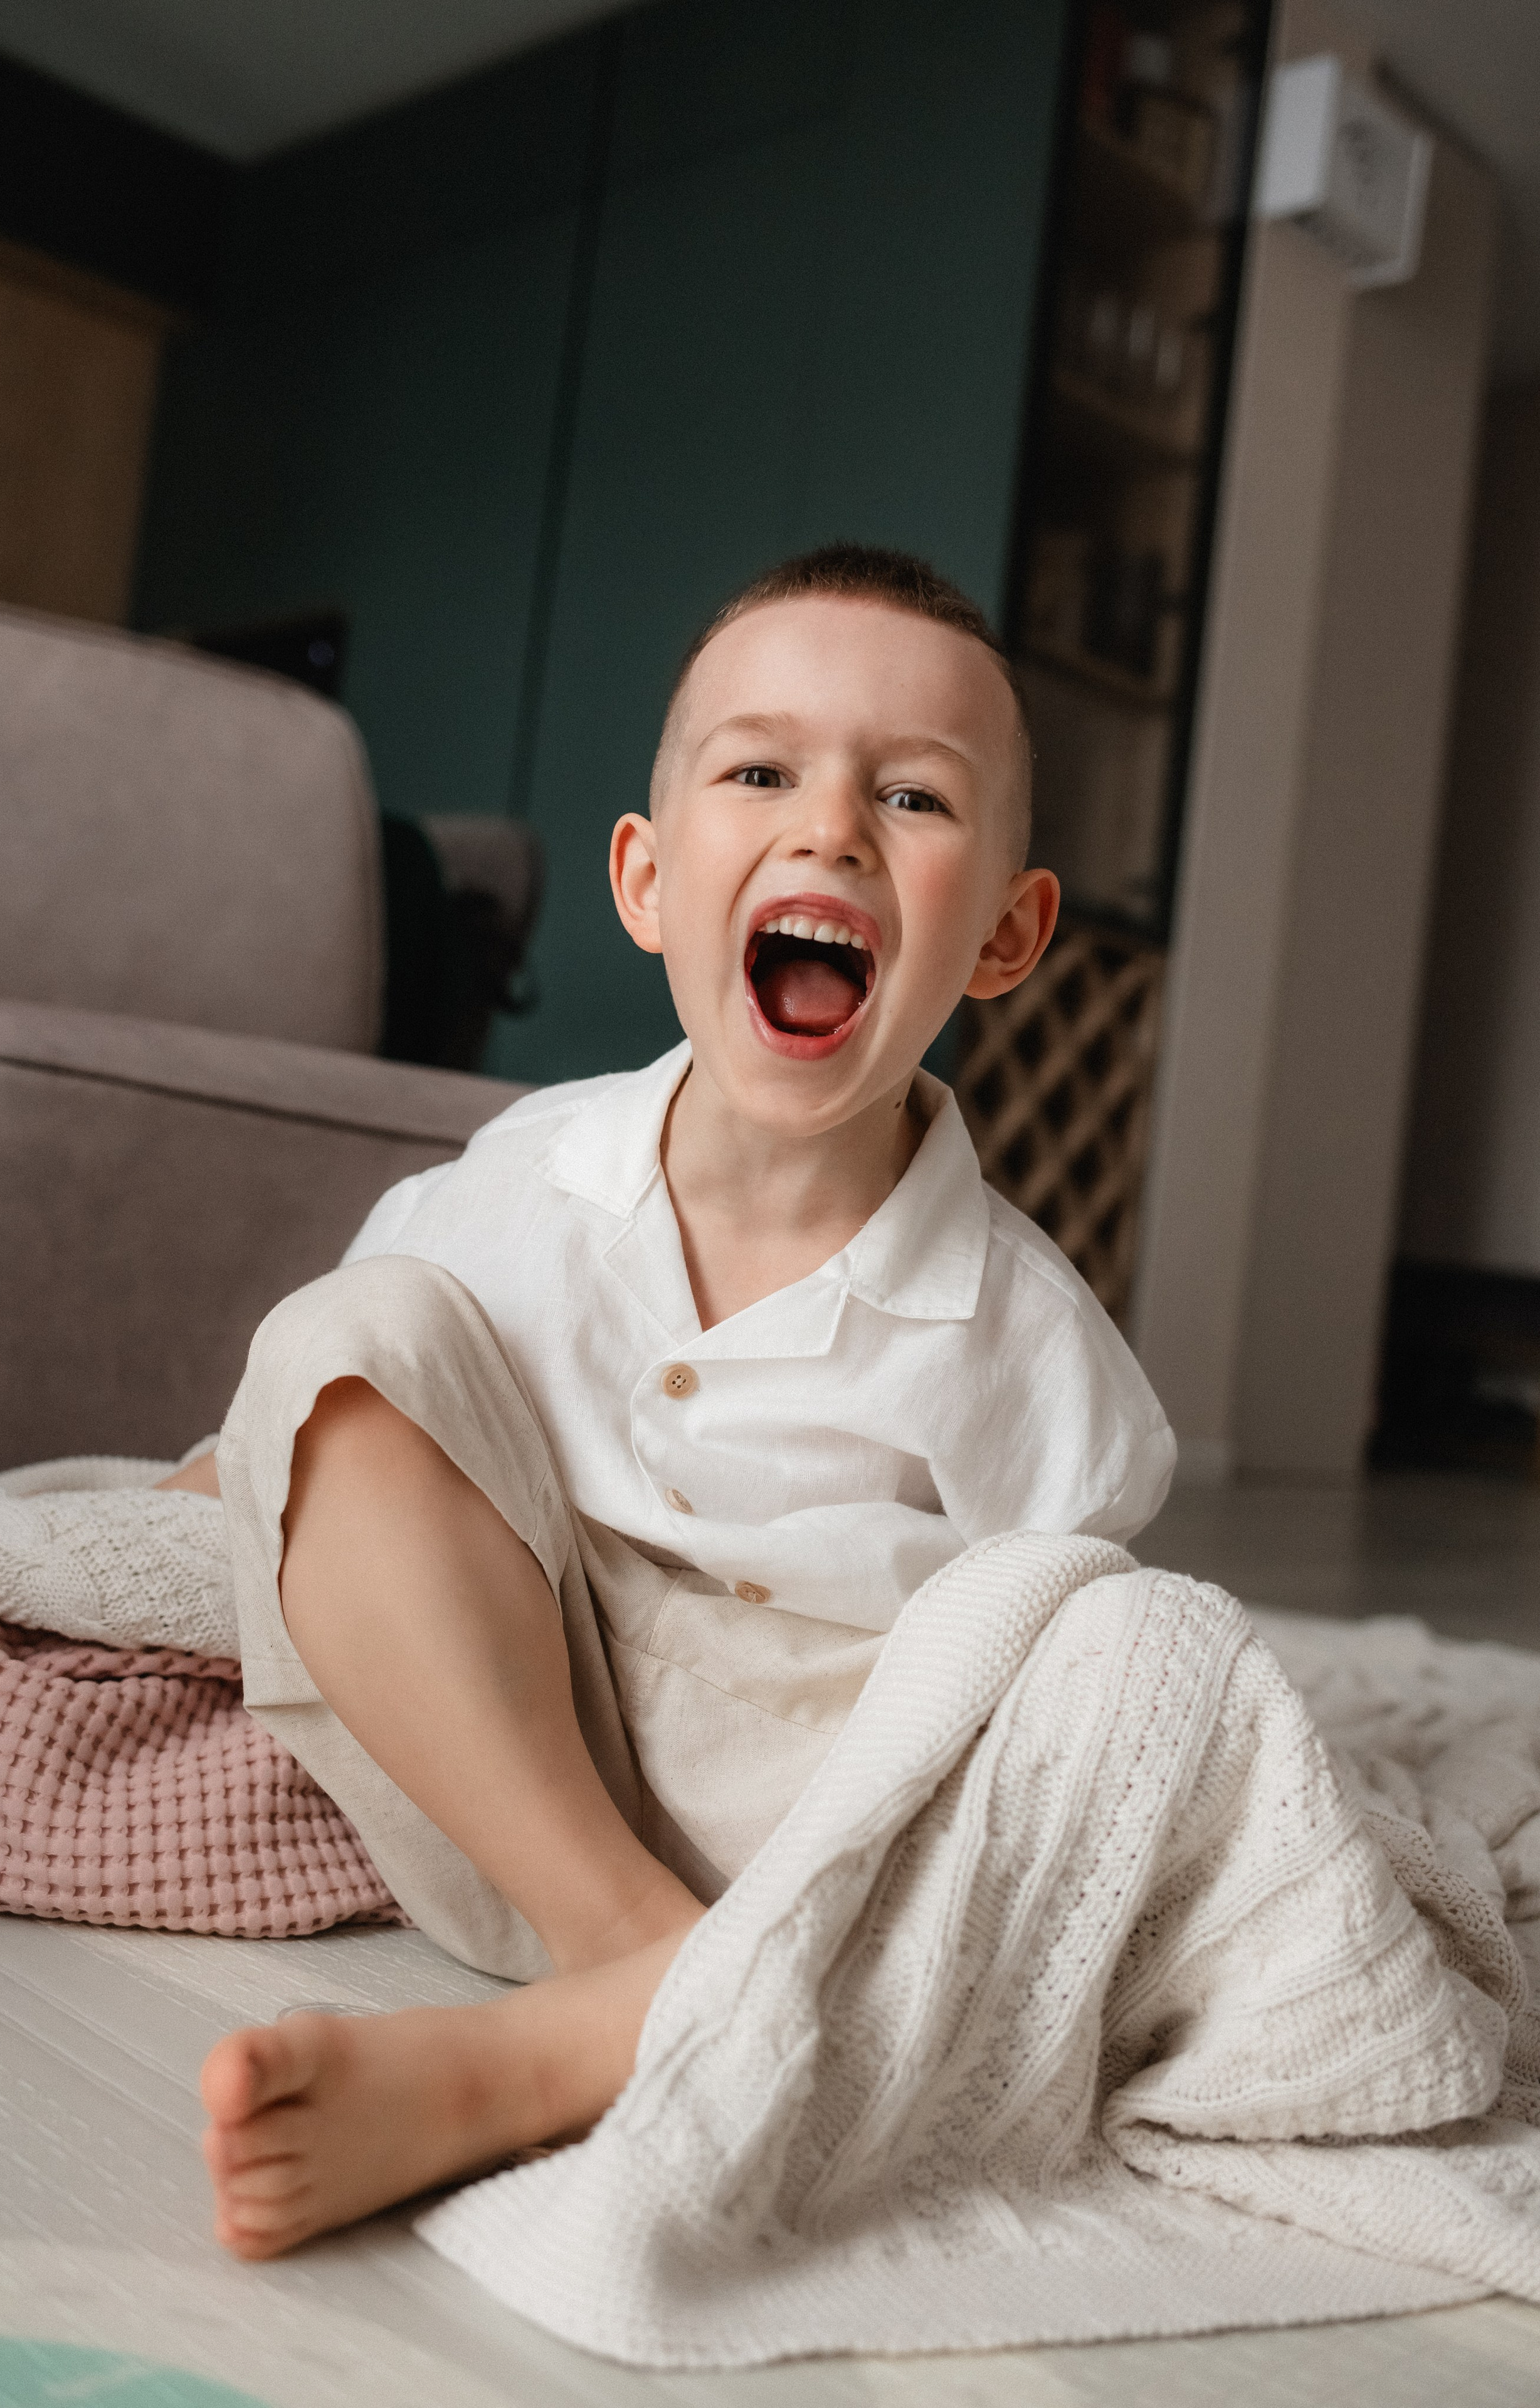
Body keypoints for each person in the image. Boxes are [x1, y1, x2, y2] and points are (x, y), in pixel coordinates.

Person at [174, 542, 1176, 2259]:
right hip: (501, 1739)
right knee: (343, 1346)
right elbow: (307, 1450)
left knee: (1119, 1663)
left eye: (915, 797)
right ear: (647, 879)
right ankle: (633, 1951)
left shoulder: (1031, 1343)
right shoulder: (515, 1184)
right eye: (764, 771)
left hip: (789, 1828)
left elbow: (1064, 1718)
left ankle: (559, 2046)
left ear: (1006, 935)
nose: (832, 828)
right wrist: (230, 1489)